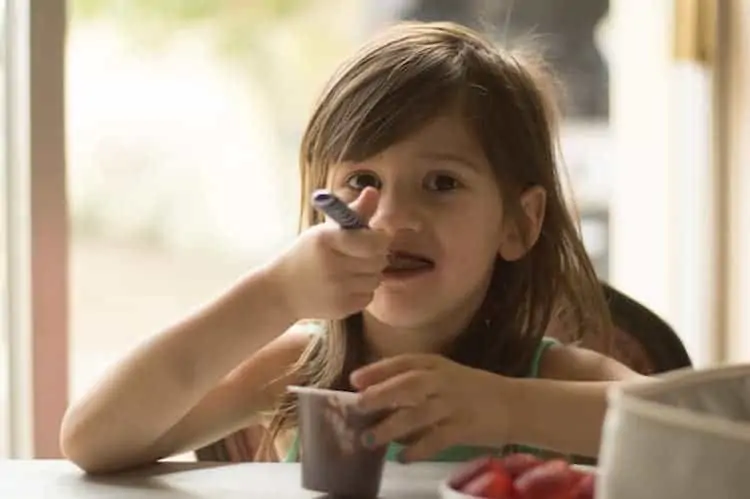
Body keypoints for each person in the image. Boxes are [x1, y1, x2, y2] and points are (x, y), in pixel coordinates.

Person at [60, 21, 647, 474]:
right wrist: (274, 294)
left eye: (442, 183)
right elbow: (92, 439)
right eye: (362, 183)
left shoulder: (550, 375)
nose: (392, 219)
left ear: (518, 224)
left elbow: (711, 435)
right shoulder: (299, 369)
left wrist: (505, 407)